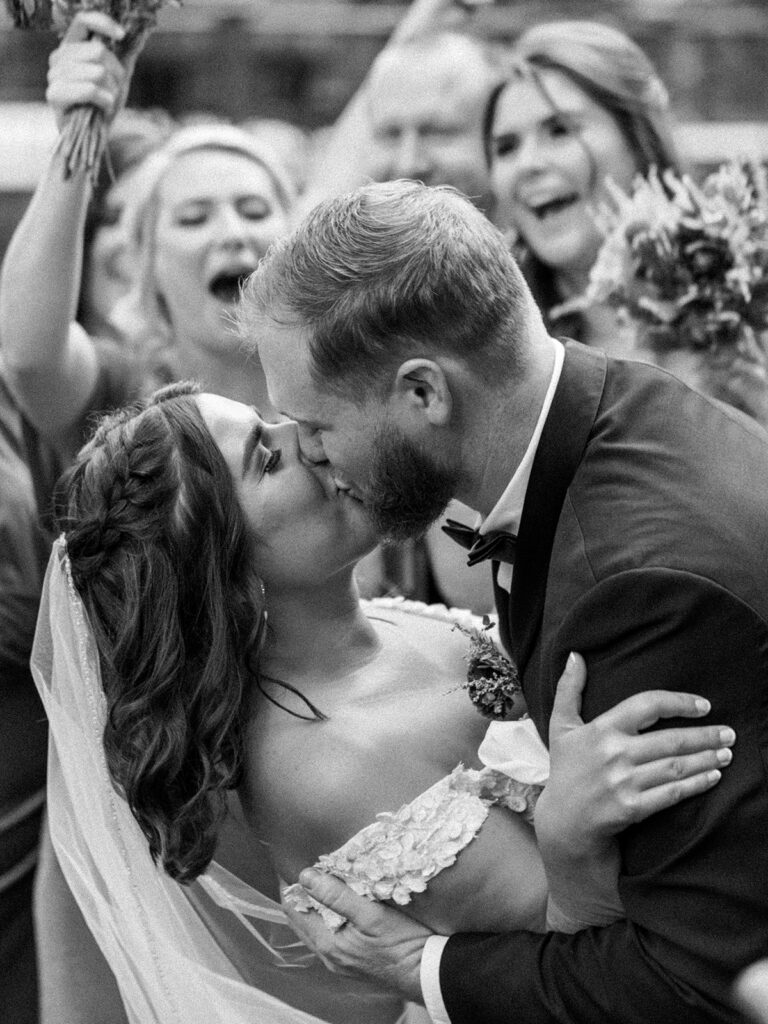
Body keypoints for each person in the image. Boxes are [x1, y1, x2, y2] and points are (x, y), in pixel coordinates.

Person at [32, 380, 731, 1024]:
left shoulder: (382, 623)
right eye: (266, 461)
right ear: (226, 575)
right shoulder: (332, 760)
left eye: (270, 423)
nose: (303, 440)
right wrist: (570, 835)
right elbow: (576, 959)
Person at [239, 179, 768, 1024]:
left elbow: (694, 987)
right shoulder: (623, 408)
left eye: (314, 423)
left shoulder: (636, 587)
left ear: (424, 394)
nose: (310, 455)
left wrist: (422, 964)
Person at [484, 20, 682, 356]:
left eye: (560, 130)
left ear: (639, 139)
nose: (527, 164)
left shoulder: (746, 306)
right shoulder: (486, 338)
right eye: (506, 147)